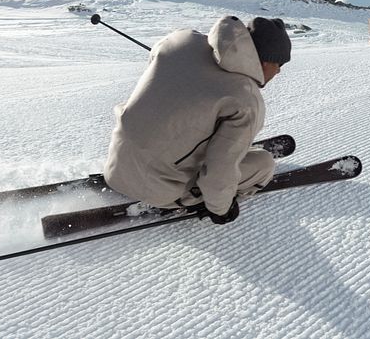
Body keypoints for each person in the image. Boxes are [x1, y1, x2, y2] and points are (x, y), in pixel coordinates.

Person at [103, 15, 291, 225]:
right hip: (161, 191)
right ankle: (193, 195)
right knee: (264, 164)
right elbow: (219, 173)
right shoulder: (246, 100)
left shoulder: (181, 39)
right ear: (266, 62)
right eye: (279, 65)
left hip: (116, 164)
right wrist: (221, 209)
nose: (279, 72)